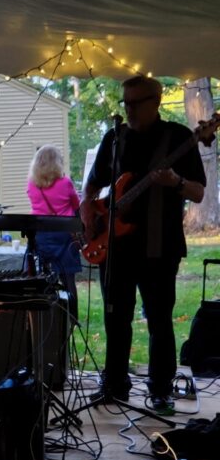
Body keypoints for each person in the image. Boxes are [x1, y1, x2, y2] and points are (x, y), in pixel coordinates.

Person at [79, 76, 205, 415]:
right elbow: (90, 189)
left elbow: (198, 192)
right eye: (126, 103)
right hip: (116, 249)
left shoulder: (178, 138)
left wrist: (175, 181)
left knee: (160, 320)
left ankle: (161, 389)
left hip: (159, 248)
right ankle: (115, 384)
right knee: (114, 318)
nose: (129, 110)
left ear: (157, 101)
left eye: (136, 103)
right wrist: (89, 213)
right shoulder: (115, 138)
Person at [26, 145, 81, 322]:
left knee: (45, 279)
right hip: (64, 234)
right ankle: (72, 319)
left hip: (42, 233)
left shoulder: (32, 184)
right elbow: (76, 205)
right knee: (68, 280)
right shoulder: (65, 183)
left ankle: (49, 319)